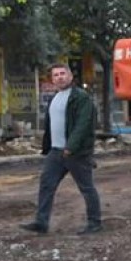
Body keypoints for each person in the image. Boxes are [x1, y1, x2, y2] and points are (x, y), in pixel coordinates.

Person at [20, 64, 101, 235]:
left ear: (71, 76)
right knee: (46, 185)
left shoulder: (80, 97)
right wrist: (48, 147)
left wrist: (71, 147)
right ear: (52, 79)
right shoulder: (55, 98)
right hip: (56, 152)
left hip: (75, 153)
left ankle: (95, 223)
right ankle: (41, 223)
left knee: (86, 188)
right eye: (56, 75)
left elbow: (83, 124)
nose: (60, 77)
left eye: (63, 73)